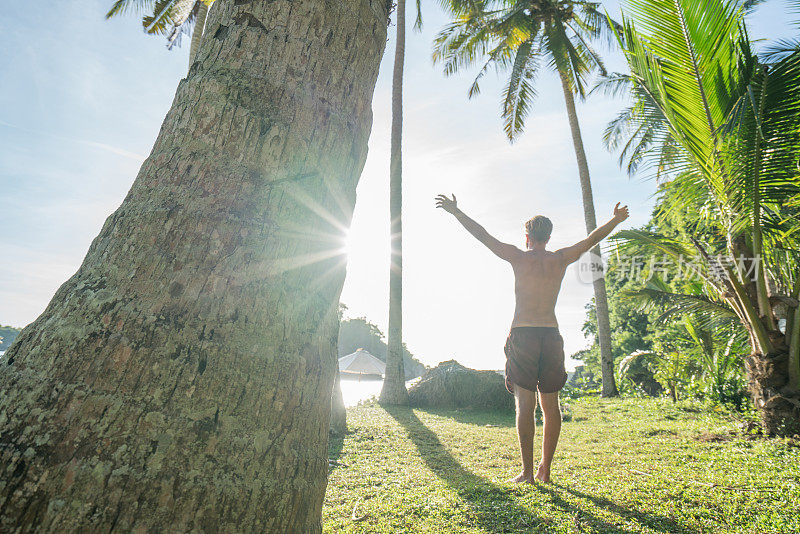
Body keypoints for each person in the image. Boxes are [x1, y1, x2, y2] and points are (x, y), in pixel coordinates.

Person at [435, 194, 629, 483]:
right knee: (551, 407)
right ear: (548, 237)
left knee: (524, 405)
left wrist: (456, 212)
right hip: (550, 335)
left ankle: (527, 472)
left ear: (528, 237)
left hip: (523, 335)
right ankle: (545, 470)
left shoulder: (518, 256)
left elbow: (483, 236)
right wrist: (615, 220)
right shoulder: (561, 258)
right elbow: (591, 240)